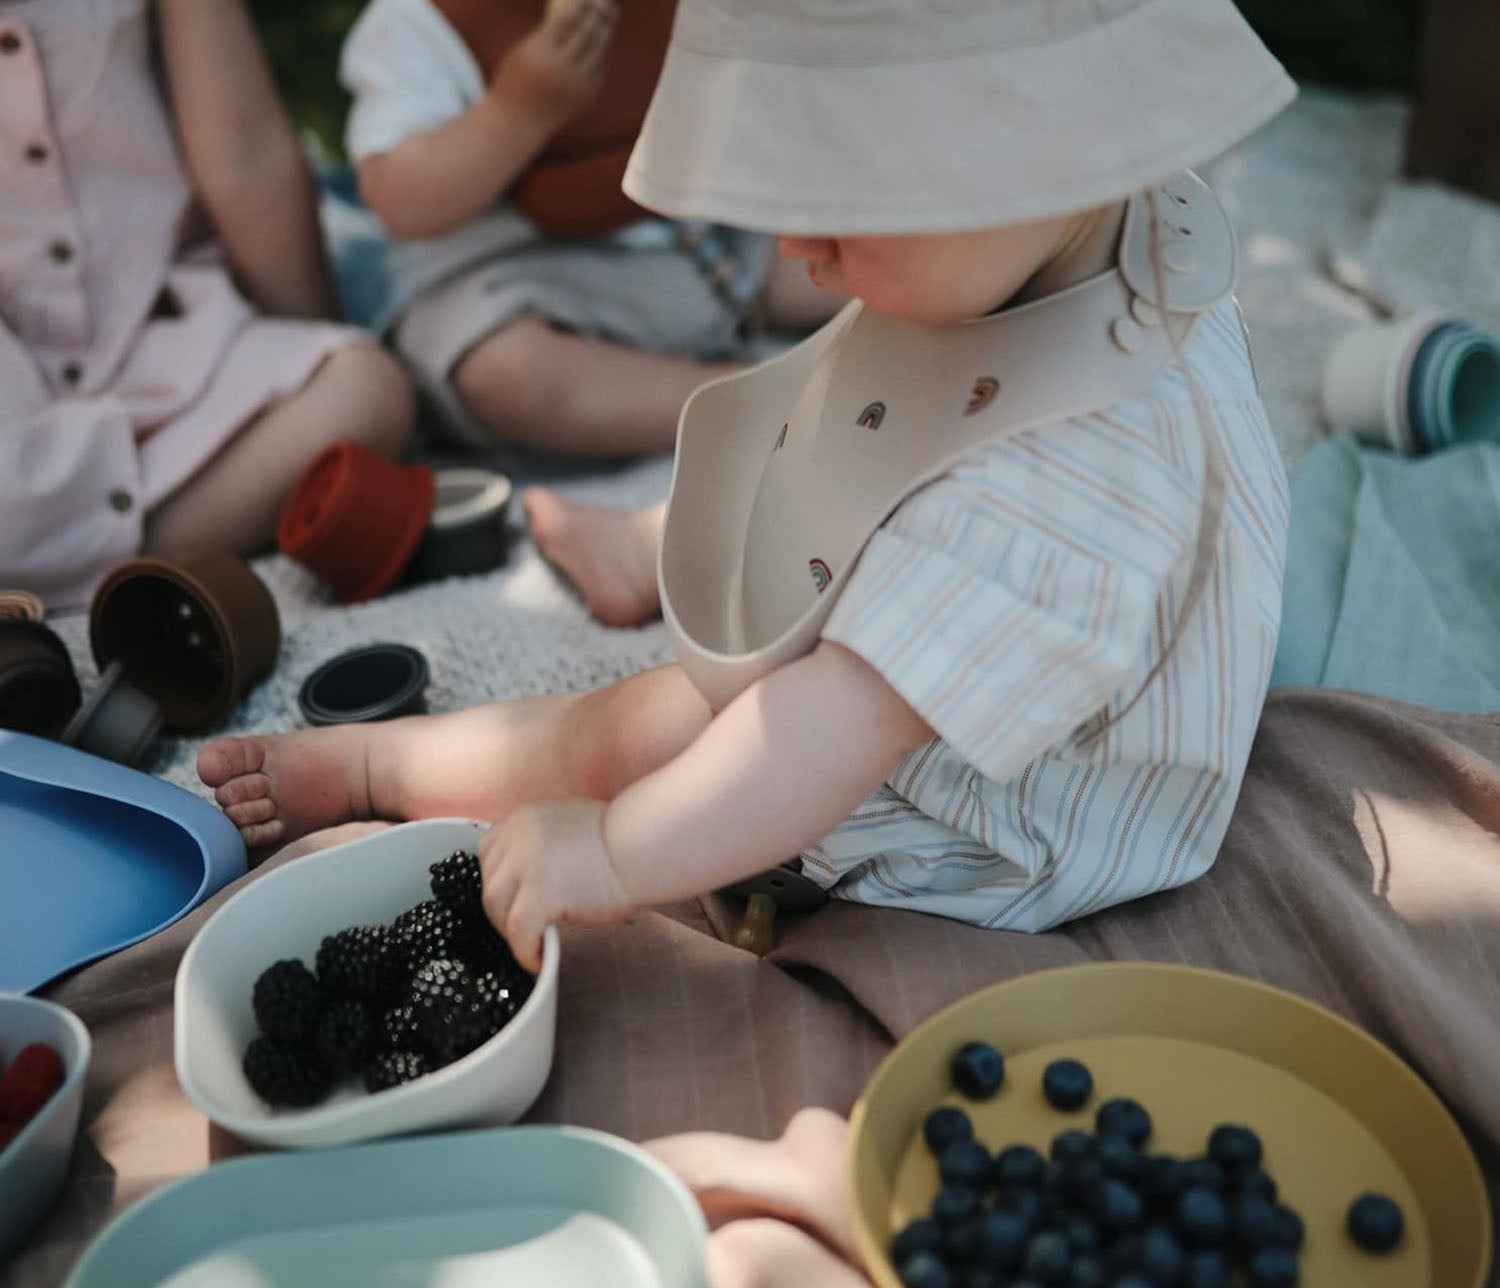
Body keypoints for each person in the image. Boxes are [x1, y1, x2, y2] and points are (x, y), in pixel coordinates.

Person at [201, 0, 1296, 970]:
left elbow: (825, 732)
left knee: (632, 738)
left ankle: (378, 766)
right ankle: (647, 540)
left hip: (1002, 835)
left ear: (1032, 147)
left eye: (840, 197)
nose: (794, 241)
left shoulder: (1061, 481)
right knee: (820, 434)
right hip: (1021, 660)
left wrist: (616, 848)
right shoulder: (1103, 221)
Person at [0, 0, 415, 613]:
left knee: (367, 388)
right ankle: (113, 558)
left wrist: (317, 346)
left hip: (161, 328)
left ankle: (80, 558)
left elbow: (244, 155)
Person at [339, 0, 841, 459]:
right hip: (534, 281)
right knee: (501, 371)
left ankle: (891, 329)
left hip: (704, 236)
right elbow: (402, 200)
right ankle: (738, 402)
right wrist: (516, 111)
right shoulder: (413, 26)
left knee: (848, 240)